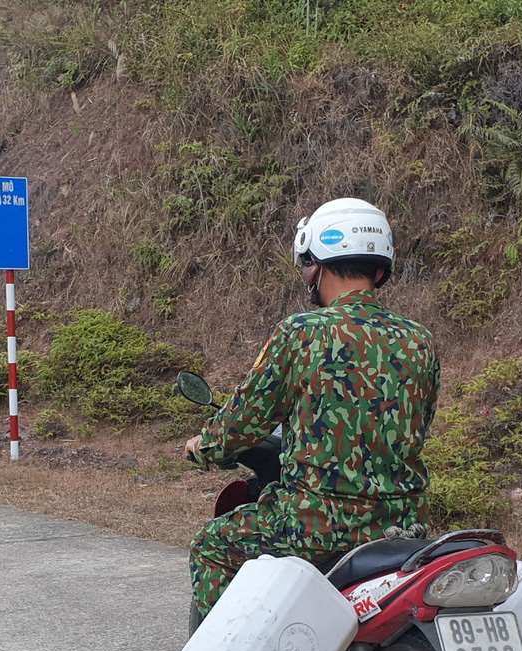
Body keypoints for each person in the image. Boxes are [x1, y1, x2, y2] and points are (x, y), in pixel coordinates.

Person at [183, 197, 440, 620]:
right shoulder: (420, 340)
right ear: (380, 269)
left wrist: (204, 447)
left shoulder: (302, 333)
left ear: (316, 262)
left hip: (315, 524)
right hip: (403, 524)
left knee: (210, 546)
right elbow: (416, 427)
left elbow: (244, 419)